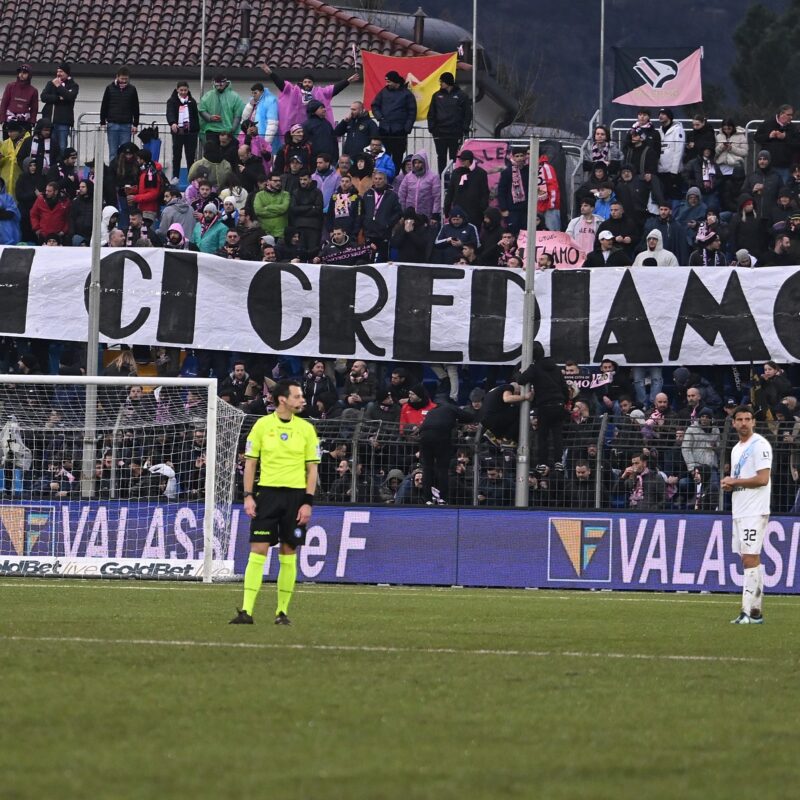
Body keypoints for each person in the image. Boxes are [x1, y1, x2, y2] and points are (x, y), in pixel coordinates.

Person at [231, 379, 320, 626]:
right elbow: (250, 463)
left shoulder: (306, 429)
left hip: (295, 497)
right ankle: (246, 612)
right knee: (257, 551)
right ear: (283, 399)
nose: (302, 400)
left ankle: (282, 613)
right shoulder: (261, 426)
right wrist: (248, 496)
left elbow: (311, 469)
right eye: (298, 396)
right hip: (267, 495)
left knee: (288, 553)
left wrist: (307, 502)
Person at [722, 406, 772, 624]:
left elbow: (762, 479)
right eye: (739, 419)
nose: (743, 423)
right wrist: (730, 485)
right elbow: (740, 479)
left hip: (754, 510)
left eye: (747, 419)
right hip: (740, 509)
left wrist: (735, 481)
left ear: (754, 422)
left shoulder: (759, 445)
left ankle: (746, 612)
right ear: (733, 423)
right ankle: (756, 613)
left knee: (749, 558)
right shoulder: (736, 449)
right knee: (750, 558)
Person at [261, 62, 357, 136]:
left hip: (315, 130)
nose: (307, 84)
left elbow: (335, 89)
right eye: (305, 82)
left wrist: (348, 81)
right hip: (295, 130)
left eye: (309, 82)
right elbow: (281, 84)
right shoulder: (293, 91)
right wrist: (271, 73)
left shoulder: (320, 92)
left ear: (313, 84)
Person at [371, 71, 417, 173]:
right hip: (384, 131)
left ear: (396, 82)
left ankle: (395, 179)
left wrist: (406, 129)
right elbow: (374, 105)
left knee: (397, 157)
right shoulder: (383, 92)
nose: (387, 84)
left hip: (399, 132)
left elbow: (412, 112)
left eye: (389, 82)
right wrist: (380, 117)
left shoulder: (407, 94)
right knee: (383, 157)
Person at [426, 71, 471, 174]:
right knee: (441, 157)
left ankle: (454, 178)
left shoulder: (461, 95)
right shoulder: (436, 96)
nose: (440, 84)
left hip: (455, 132)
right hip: (440, 132)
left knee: (454, 158)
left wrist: (464, 128)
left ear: (448, 82)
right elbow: (431, 113)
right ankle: (441, 178)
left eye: (442, 81)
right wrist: (432, 128)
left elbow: (467, 114)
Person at [100, 67, 140, 158]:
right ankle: (112, 172)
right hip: (112, 124)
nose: (124, 81)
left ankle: (123, 171)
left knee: (125, 153)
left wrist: (135, 124)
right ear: (117, 77)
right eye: (122, 78)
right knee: (113, 152)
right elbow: (104, 106)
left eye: (126, 79)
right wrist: (102, 122)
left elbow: (136, 107)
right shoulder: (109, 88)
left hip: (126, 125)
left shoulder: (132, 89)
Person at [443, 149, 489, 228]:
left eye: (464, 160)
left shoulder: (481, 173)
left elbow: (485, 193)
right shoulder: (456, 172)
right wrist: (446, 209)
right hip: (459, 210)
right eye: (461, 160)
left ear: (470, 160)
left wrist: (482, 210)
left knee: (473, 234)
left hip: (475, 212)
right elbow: (450, 191)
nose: (462, 162)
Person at [40, 63, 79, 152]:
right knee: (50, 146)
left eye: (61, 71)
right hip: (50, 121)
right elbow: (43, 97)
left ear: (67, 73)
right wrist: (58, 98)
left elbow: (69, 96)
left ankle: (61, 164)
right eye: (57, 71)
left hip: (63, 122)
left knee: (62, 146)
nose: (58, 74)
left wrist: (59, 86)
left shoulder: (73, 85)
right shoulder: (50, 83)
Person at [166, 81, 200, 182]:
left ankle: (191, 177)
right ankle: (176, 176)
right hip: (178, 132)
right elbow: (170, 113)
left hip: (191, 133)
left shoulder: (192, 101)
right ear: (177, 90)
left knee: (190, 156)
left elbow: (195, 116)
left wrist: (196, 129)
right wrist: (172, 123)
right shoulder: (172, 101)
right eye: (181, 90)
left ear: (188, 90)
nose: (183, 92)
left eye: (185, 90)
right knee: (177, 155)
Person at [198, 75, 244, 148]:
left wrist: (233, 128)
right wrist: (210, 118)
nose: (219, 87)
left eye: (221, 84)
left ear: (225, 83)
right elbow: (201, 110)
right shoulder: (208, 96)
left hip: (228, 131)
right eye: (217, 85)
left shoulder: (234, 97)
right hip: (212, 130)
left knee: (226, 154)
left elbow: (238, 114)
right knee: (212, 153)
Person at [0, 63, 38, 135]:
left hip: (24, 122)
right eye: (20, 72)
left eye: (24, 73)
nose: (21, 74)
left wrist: (32, 122)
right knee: (8, 144)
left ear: (29, 75)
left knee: (24, 144)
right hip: (9, 121)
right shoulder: (10, 86)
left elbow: (34, 108)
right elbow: (3, 104)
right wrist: (2, 119)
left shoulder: (33, 90)